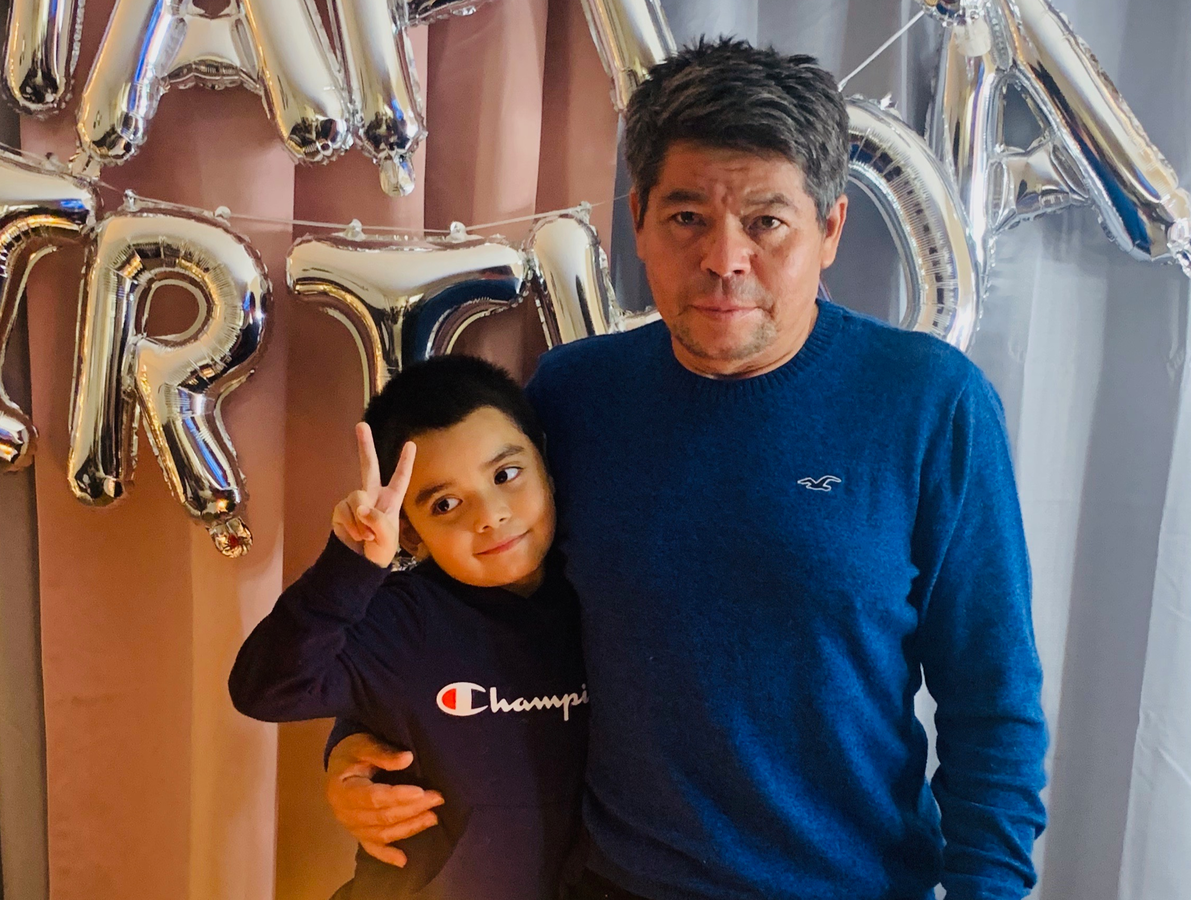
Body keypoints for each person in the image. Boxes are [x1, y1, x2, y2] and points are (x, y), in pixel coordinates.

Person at [323, 38, 1049, 900]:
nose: (723, 258)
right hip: (613, 882)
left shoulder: (930, 403)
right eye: (687, 217)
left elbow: (991, 704)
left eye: (767, 222)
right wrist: (355, 747)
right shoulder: (576, 393)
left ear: (829, 229)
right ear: (639, 219)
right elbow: (472, 611)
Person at [229, 355, 588, 900]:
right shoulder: (406, 619)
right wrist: (350, 564)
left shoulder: (599, 599)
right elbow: (266, 688)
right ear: (412, 534)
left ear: (546, 464)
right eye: (446, 504)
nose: (489, 515)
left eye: (505, 475)